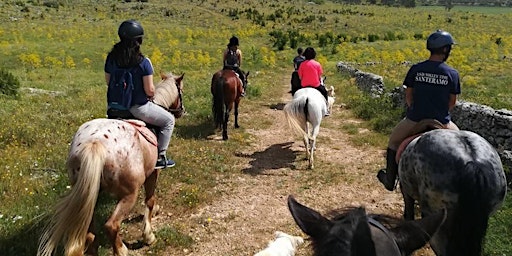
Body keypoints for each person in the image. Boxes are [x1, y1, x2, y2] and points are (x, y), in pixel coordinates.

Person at [377, 30, 461, 191]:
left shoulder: (416, 69)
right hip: (442, 122)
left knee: (393, 142)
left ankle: (389, 180)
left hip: (415, 120)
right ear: (445, 50)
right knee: (463, 146)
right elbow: (452, 102)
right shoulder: (452, 73)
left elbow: (409, 96)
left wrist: (416, 110)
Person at [104, 19, 176, 169]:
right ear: (139, 40)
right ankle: (160, 157)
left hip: (114, 107)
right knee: (169, 120)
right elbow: (150, 90)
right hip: (138, 108)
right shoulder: (143, 62)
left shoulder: (111, 59)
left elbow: (108, 82)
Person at [297, 47, 329, 115]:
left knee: (297, 93)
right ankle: (326, 109)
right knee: (325, 92)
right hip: (315, 85)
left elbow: (300, 77)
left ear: (305, 55)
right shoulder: (317, 64)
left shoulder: (302, 64)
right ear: (314, 55)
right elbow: (319, 76)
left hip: (304, 85)